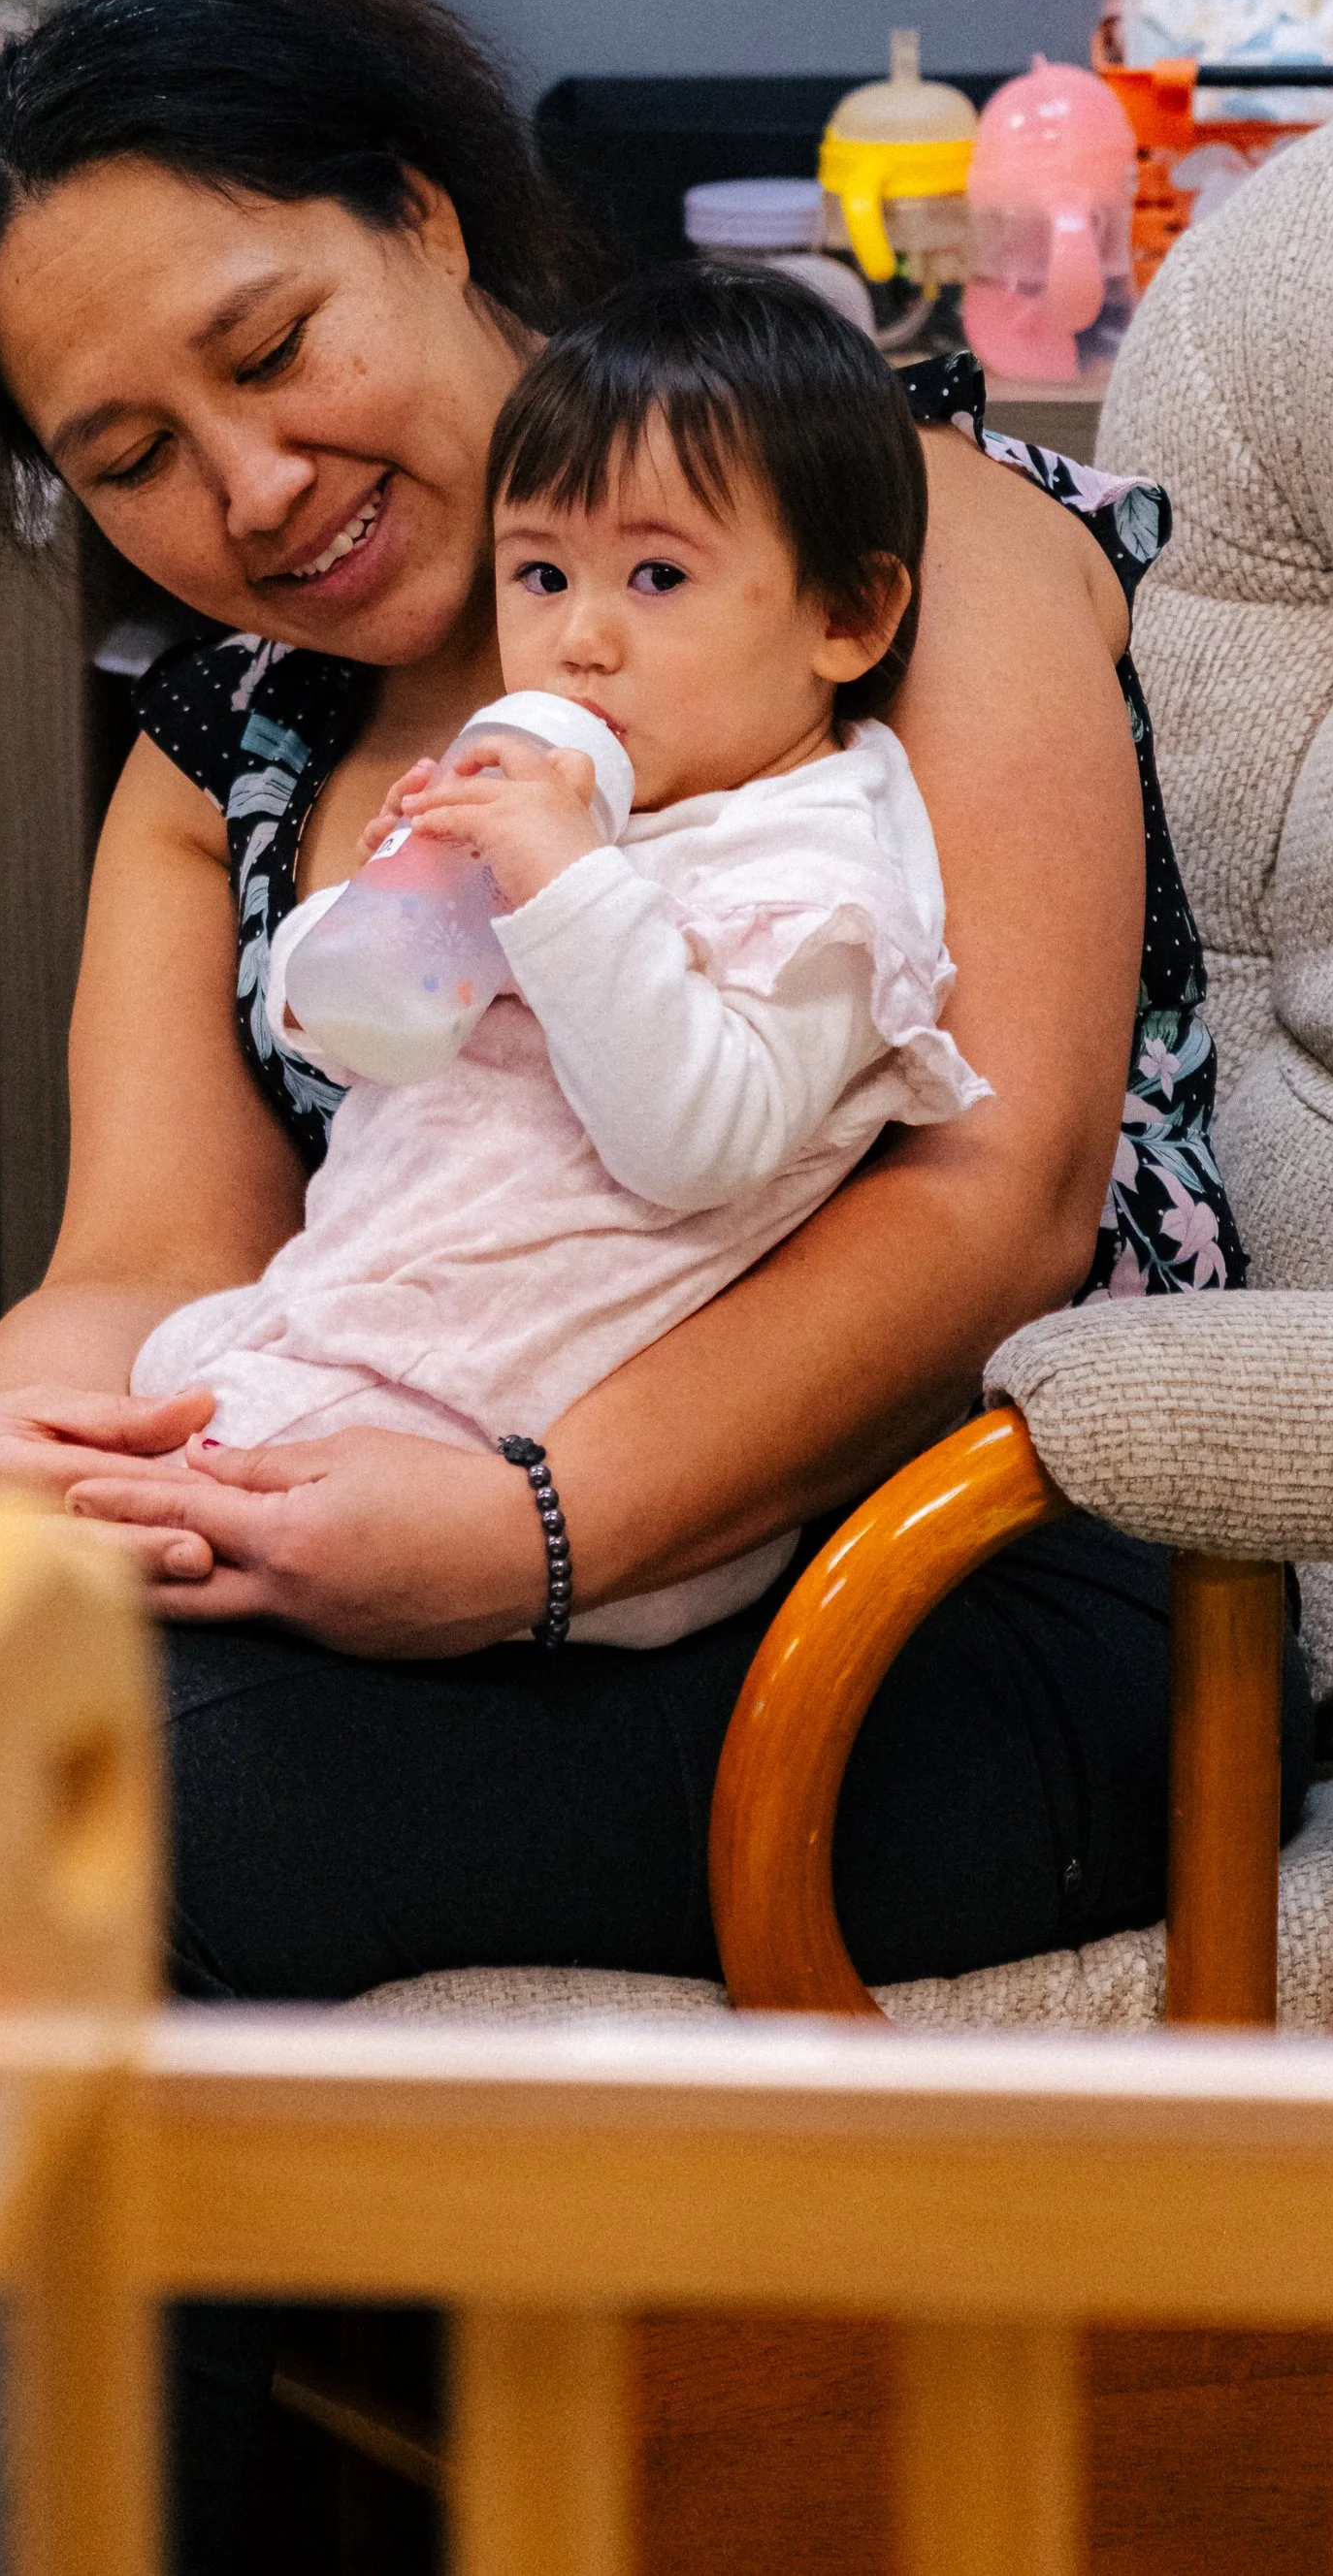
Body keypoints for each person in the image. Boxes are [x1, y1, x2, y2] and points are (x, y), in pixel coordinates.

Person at [0, 0, 1304, 2561]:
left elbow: (992, 1189)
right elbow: (143, 1249)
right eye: (120, 449)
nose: (239, 486)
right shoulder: (221, 744)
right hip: (398, 1503)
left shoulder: (860, 530)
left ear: (430, 225)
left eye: (265, 346)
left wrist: (538, 1524)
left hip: (953, 1589)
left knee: (124, 1820)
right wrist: (9, 1451)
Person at [136, 260, 988, 1650]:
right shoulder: (587, 816)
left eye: (657, 575)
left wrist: (564, 882)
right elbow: (366, 1043)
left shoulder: (820, 877)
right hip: (367, 1333)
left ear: (847, 618)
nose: (578, 639)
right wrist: (363, 917)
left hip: (529, 1426)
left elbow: (699, 1142)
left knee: (87, 1593)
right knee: (158, 1381)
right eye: (540, 572)